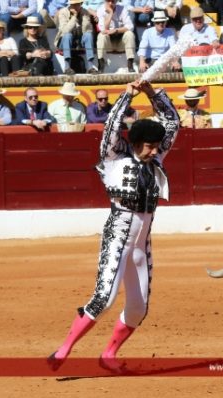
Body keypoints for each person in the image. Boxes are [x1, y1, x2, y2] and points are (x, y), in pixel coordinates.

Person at [47, 80, 180, 373]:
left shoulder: (155, 157)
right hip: (117, 237)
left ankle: (109, 354)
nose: (155, 150)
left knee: (138, 308)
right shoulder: (114, 157)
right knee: (104, 299)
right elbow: (110, 127)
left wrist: (152, 93)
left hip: (141, 244)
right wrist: (126, 96)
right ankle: (64, 349)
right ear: (134, 143)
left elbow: (172, 121)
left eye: (157, 146)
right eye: (149, 145)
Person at [54, 0, 97, 75]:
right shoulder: (63, 12)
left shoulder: (85, 12)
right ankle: (67, 67)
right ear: (70, 5)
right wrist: (74, 17)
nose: (76, 6)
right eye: (73, 4)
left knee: (88, 35)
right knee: (68, 35)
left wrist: (84, 18)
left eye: (78, 4)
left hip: (79, 41)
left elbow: (88, 30)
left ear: (81, 4)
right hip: (63, 42)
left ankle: (91, 67)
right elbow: (65, 31)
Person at [96, 0, 136, 73]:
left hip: (120, 39)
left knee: (130, 34)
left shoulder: (122, 9)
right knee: (101, 36)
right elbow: (103, 29)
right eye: (108, 1)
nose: (111, 3)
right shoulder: (100, 10)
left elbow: (130, 26)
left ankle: (130, 64)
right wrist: (110, 13)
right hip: (108, 42)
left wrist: (116, 30)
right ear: (105, 1)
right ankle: (101, 65)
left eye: (113, 1)